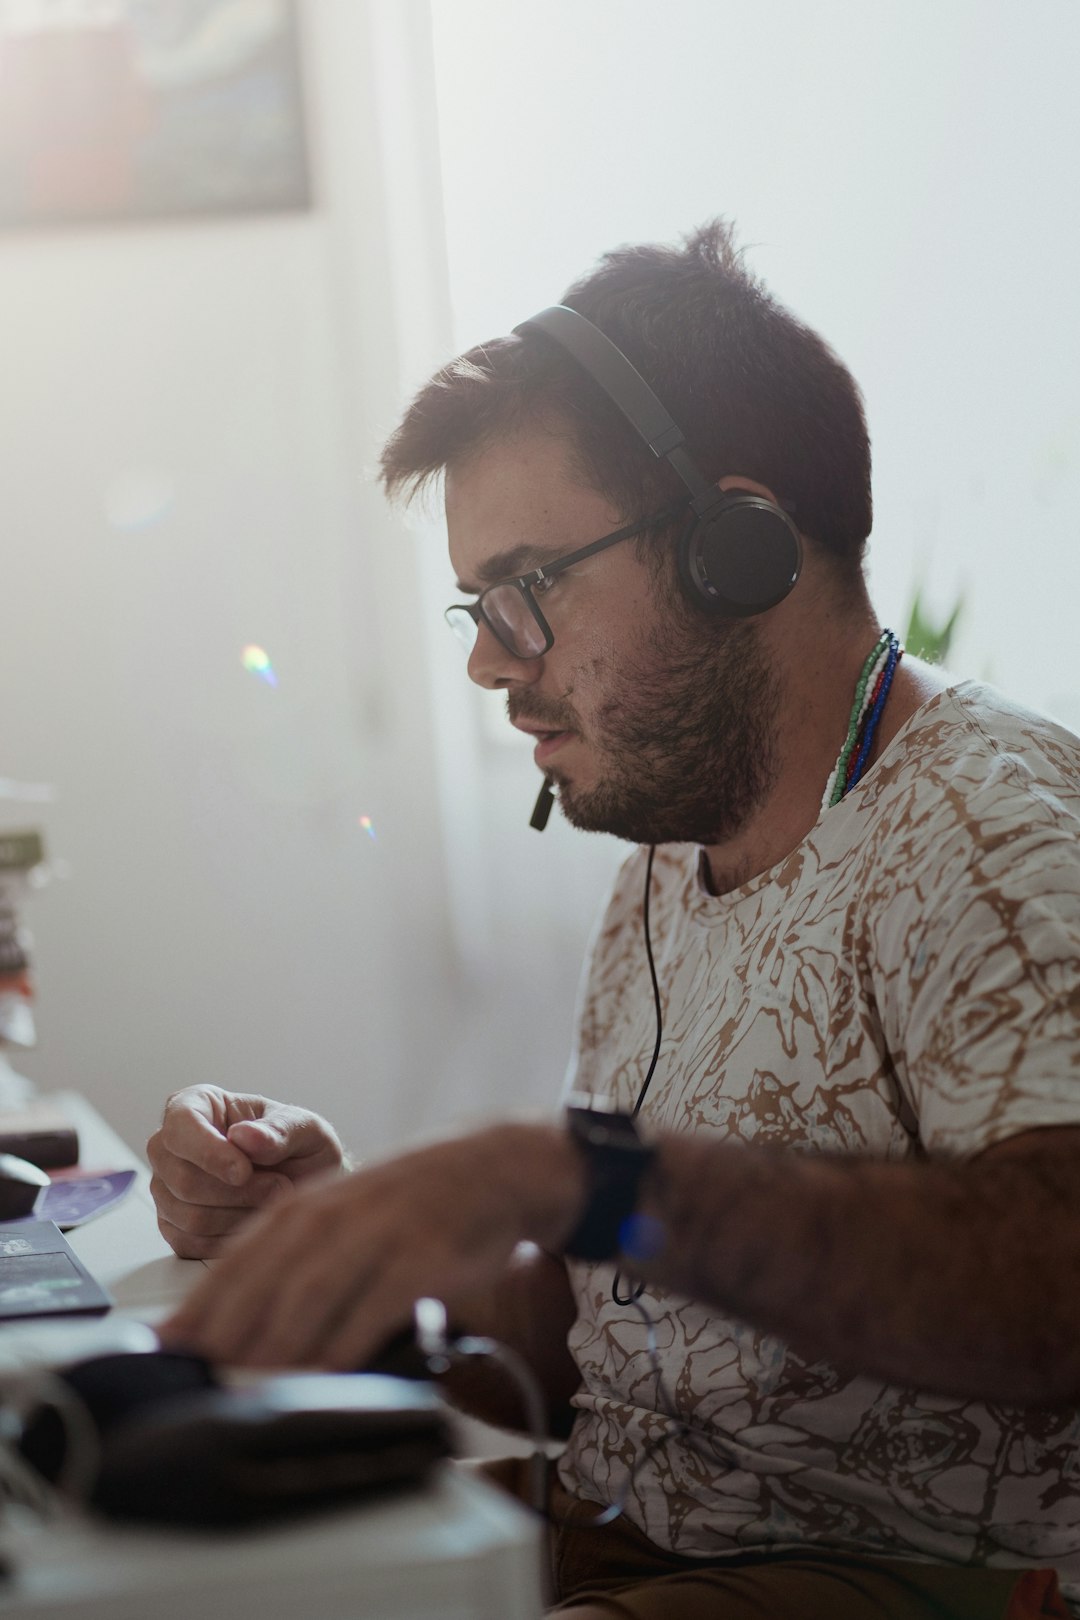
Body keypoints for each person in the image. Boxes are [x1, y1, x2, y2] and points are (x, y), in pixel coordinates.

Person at [149, 221, 1080, 1620]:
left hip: (906, 1579)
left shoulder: (991, 832)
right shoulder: (674, 844)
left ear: (735, 547)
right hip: (623, 1526)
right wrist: (346, 1237)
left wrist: (581, 1174)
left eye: (527, 587)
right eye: (476, 603)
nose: (486, 661)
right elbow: (620, 1327)